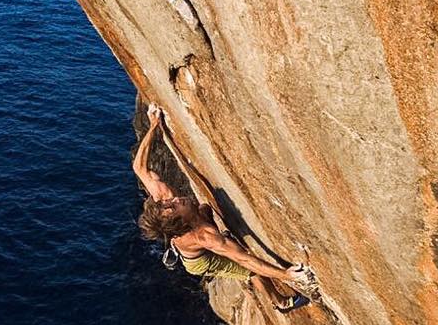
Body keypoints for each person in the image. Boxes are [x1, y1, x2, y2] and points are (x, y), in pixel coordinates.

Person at [133, 105, 311, 312]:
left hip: (193, 230)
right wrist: (285, 274)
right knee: (250, 272)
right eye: (174, 207)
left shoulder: (164, 198)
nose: (175, 200)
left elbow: (139, 167)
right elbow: (245, 259)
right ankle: (281, 303)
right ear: (182, 222)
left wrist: (154, 124)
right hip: (198, 262)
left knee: (205, 207)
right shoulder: (205, 237)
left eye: (168, 204)